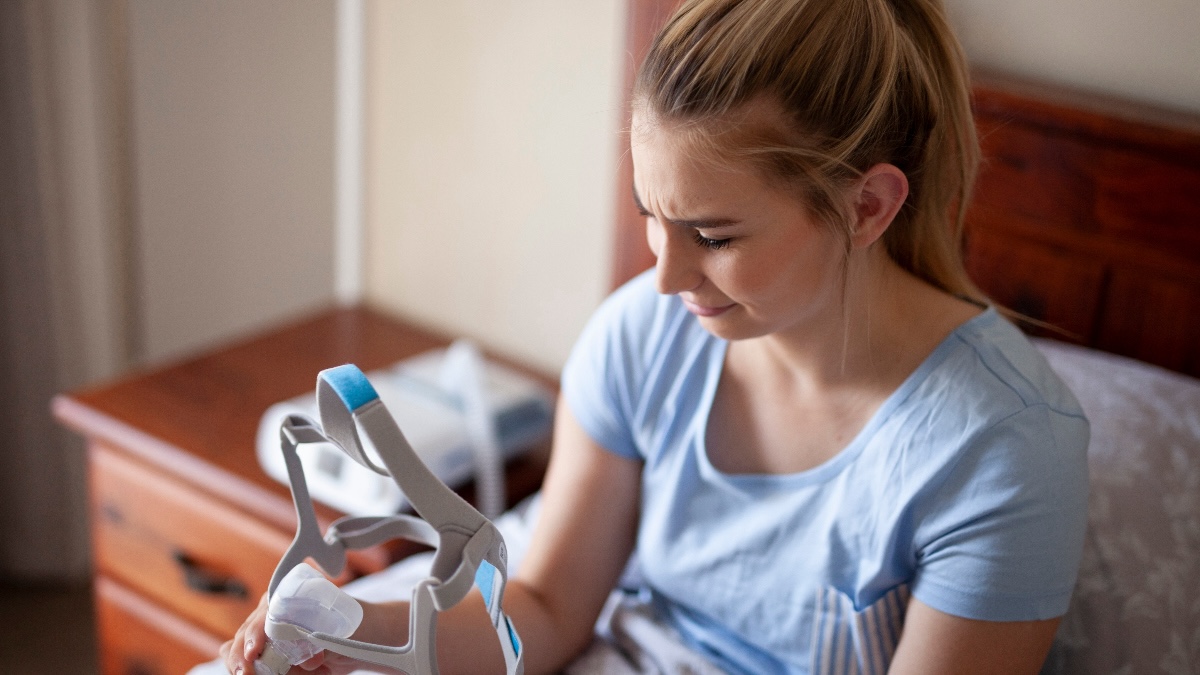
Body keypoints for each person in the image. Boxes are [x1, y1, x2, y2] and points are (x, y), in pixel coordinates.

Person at [223, 0, 1088, 672]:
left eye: (713, 236)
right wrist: (356, 627)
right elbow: (549, 610)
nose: (667, 279)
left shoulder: (1000, 453)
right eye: (652, 217)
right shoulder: (643, 338)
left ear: (867, 206)